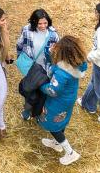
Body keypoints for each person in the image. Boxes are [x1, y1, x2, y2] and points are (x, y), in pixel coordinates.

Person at [37, 35, 89, 165]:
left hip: (57, 102)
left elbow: (53, 90)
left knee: (53, 126)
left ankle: (70, 153)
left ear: (63, 53)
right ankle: (56, 144)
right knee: (61, 121)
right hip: (68, 99)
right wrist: (50, 54)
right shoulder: (76, 64)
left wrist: (40, 85)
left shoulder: (62, 72)